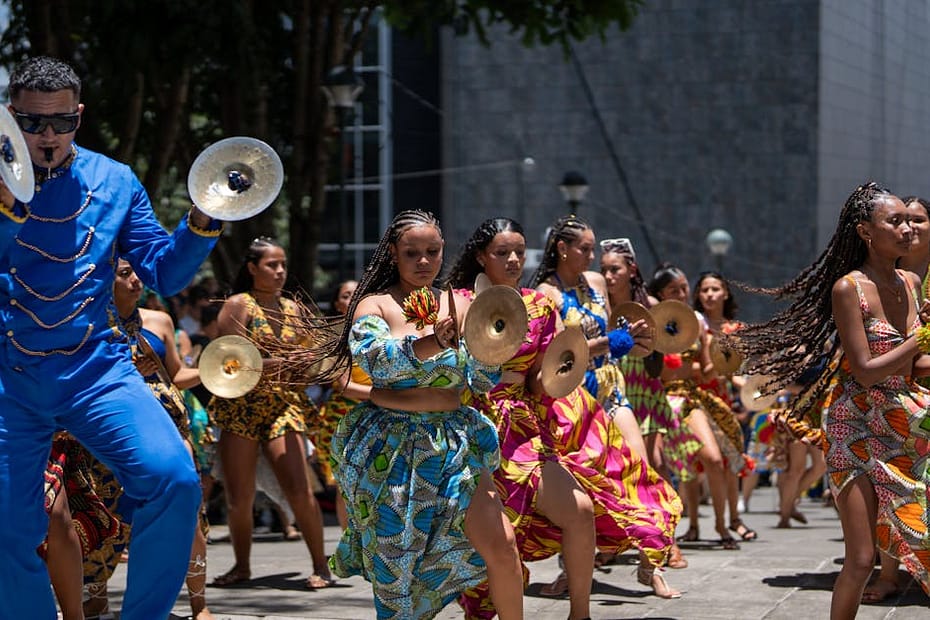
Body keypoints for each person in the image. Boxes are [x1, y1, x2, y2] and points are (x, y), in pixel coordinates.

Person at [0, 56, 221, 619]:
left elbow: (164, 274)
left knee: (174, 480)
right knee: (6, 524)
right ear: (9, 117)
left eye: (61, 123)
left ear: (79, 116)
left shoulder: (116, 179)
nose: (47, 137)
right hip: (10, 378)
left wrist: (203, 220)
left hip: (97, 373)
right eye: (31, 123)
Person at [736, 182, 930, 619]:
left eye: (909, 220)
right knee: (861, 560)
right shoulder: (849, 288)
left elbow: (912, 367)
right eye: (894, 221)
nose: (906, 229)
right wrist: (919, 340)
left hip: (903, 421)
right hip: (854, 426)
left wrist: (923, 352)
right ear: (866, 232)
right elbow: (864, 369)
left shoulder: (912, 283)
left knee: (921, 541)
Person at [327, 209, 524, 619]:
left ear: (442, 252)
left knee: (503, 546)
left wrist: (494, 349)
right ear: (393, 256)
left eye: (432, 252)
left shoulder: (462, 304)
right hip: (392, 451)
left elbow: (480, 381)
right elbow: (377, 364)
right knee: (397, 569)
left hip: (456, 443)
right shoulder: (373, 306)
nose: (423, 262)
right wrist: (431, 341)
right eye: (411, 253)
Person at [447, 217, 597, 619]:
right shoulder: (458, 302)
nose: (513, 259)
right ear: (481, 257)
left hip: (523, 427)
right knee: (492, 541)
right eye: (501, 252)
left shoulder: (540, 305)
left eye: (519, 251)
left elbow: (539, 380)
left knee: (581, 512)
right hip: (471, 427)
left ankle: (579, 615)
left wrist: (562, 371)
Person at [531, 215, 683, 599]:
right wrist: (606, 344)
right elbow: (555, 353)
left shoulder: (597, 283)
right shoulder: (545, 294)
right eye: (584, 248)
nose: (592, 255)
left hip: (611, 389)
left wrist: (640, 338)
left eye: (593, 248)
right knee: (579, 486)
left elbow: (631, 322)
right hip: (571, 398)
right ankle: (570, 572)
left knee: (641, 473)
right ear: (562, 249)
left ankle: (652, 567)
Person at [81, 258, 214, 619]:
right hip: (111, 434)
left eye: (137, 271)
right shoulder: (86, 324)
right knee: (104, 522)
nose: (136, 279)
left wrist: (216, 369)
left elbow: (176, 374)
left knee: (188, 515)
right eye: (125, 273)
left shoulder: (159, 321)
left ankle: (199, 604)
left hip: (168, 425)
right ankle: (96, 599)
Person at [207, 237, 334, 589]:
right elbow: (226, 361)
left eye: (282, 264)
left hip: (284, 405)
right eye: (271, 265)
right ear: (252, 268)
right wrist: (278, 363)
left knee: (299, 487)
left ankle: (321, 566)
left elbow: (313, 360)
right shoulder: (238, 305)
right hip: (241, 406)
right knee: (239, 496)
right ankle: (242, 566)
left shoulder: (295, 309)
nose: (279, 271)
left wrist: (308, 363)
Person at [600, 237, 688, 570]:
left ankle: (667, 543)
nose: (608, 276)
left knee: (653, 465)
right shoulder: (600, 303)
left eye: (615, 269)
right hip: (612, 390)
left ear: (631, 270)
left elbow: (668, 349)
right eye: (604, 269)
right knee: (610, 468)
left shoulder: (649, 303)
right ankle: (611, 541)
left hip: (645, 391)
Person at [648, 263, 739, 550]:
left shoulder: (696, 322)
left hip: (689, 396)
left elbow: (707, 368)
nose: (683, 293)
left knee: (713, 458)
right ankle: (689, 528)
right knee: (676, 465)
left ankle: (722, 526)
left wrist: (723, 358)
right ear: (661, 294)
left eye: (685, 287)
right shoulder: (650, 321)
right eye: (675, 289)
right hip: (659, 398)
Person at [692, 271, 759, 542]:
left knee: (731, 462)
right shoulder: (691, 323)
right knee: (698, 465)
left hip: (722, 401)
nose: (709, 294)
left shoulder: (734, 330)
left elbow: (735, 371)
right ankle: (696, 523)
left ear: (726, 293)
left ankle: (733, 520)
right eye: (704, 289)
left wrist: (753, 392)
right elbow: (684, 364)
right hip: (693, 398)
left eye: (715, 289)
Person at [312, 279, 367, 530]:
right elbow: (344, 385)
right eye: (346, 296)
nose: (353, 299)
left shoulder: (380, 331)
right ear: (337, 304)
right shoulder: (334, 336)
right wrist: (387, 393)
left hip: (379, 412)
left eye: (358, 294)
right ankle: (350, 545)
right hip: (343, 419)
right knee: (347, 486)